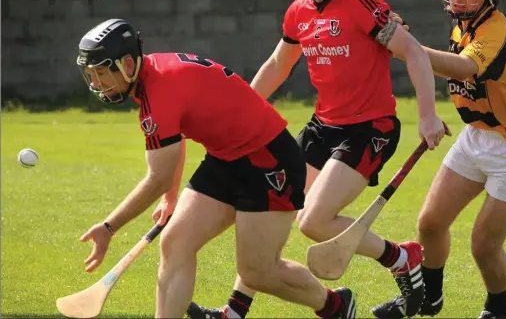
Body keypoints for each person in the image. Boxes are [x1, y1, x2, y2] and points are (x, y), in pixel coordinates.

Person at [187, 0, 446, 318]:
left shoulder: (363, 5)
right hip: (322, 127)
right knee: (272, 206)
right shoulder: (299, 10)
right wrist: (242, 111)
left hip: (369, 130)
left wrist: (427, 114)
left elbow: (413, 53)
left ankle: (400, 257)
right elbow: (278, 64)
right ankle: (234, 311)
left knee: (314, 221)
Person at [76, 18, 359, 319]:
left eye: (101, 74)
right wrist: (170, 197)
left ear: (128, 64)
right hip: (225, 158)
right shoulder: (152, 77)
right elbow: (172, 141)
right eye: (91, 75)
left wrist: (110, 227)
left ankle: (335, 306)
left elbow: (157, 176)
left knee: (257, 273)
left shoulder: (159, 92)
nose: (96, 84)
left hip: (268, 159)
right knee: (175, 243)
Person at [377, 0, 506, 319]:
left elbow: (462, 68)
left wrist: (405, 45)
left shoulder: (499, 27)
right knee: (430, 224)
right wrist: (404, 41)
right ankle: (430, 299)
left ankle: (497, 310)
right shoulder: (462, 24)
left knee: (484, 246)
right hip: (476, 136)